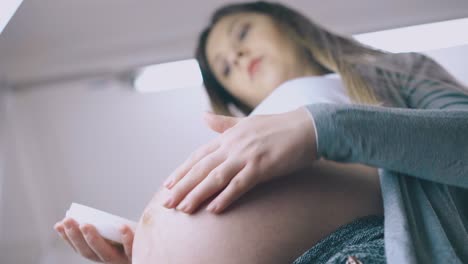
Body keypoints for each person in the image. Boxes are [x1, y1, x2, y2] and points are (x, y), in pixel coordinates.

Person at [55, 1, 468, 263]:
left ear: (289, 25)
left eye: (242, 33)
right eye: (225, 69)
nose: (235, 55)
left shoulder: (394, 73)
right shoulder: (250, 135)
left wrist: (318, 128)